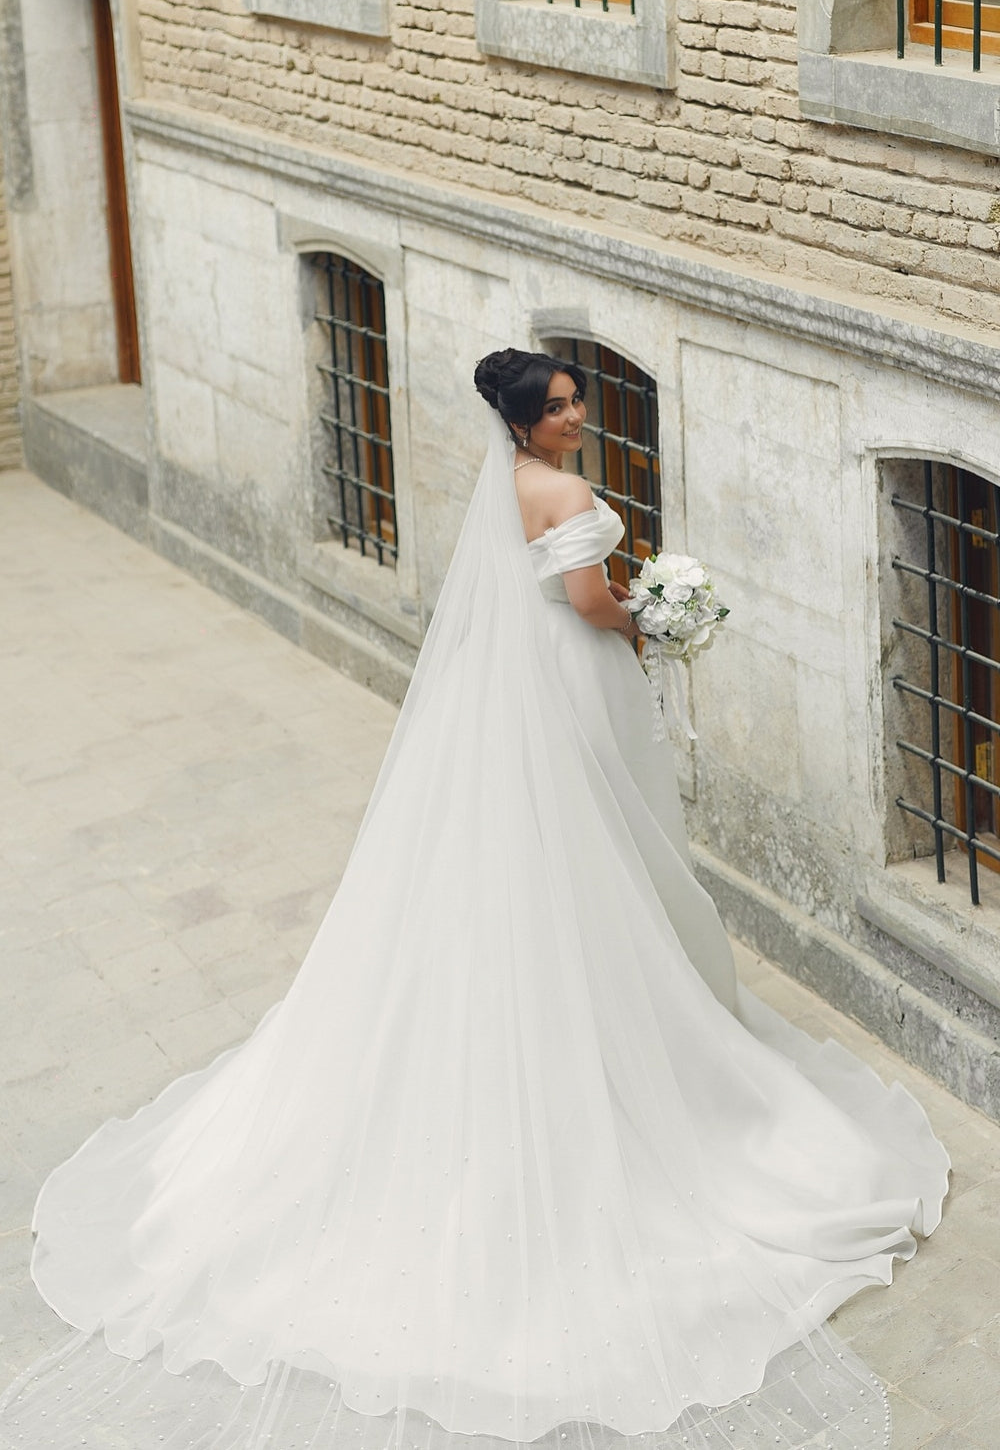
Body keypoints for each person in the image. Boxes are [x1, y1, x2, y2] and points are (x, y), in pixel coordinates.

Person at [0, 349, 949, 1450]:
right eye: (557, 408)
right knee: (607, 850)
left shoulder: (504, 484)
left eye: (574, 400)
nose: (576, 415)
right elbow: (591, 602)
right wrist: (659, 620)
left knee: (548, 857)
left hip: (521, 689)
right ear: (525, 422)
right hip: (576, 682)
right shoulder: (570, 495)